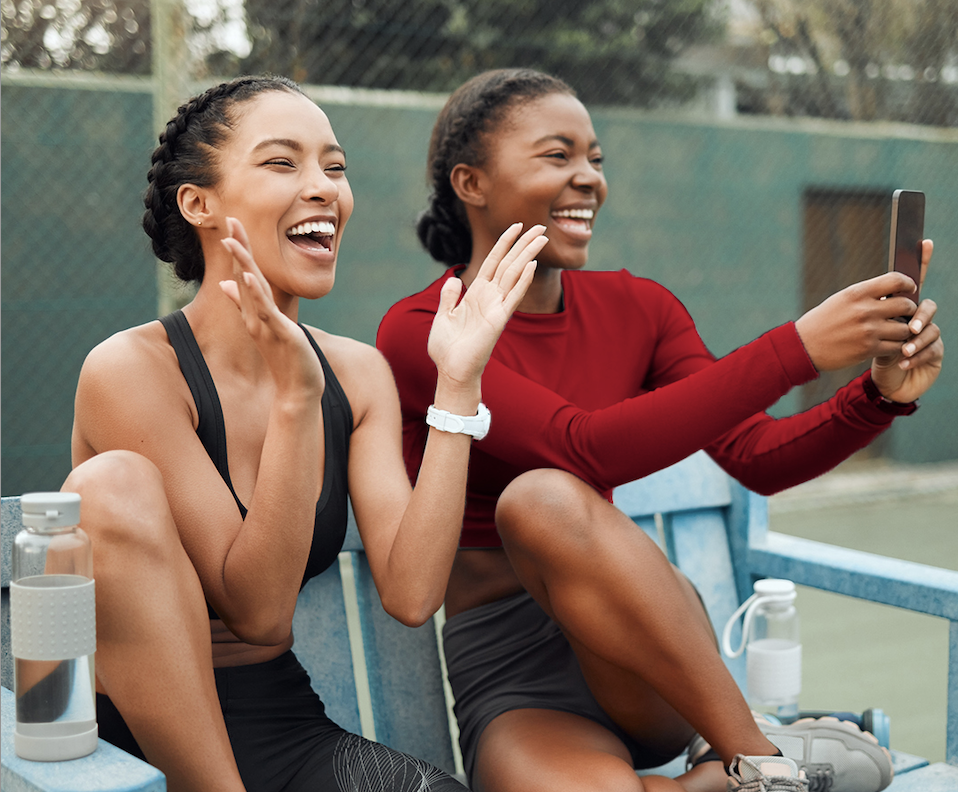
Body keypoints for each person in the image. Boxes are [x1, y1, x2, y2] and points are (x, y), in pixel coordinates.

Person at [376, 68, 944, 792]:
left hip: (644, 648)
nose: (588, 179)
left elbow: (756, 457)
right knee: (545, 490)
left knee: (542, 498)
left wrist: (877, 397)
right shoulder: (424, 330)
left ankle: (755, 761)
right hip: (512, 669)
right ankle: (738, 771)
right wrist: (795, 348)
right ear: (471, 182)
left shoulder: (639, 308)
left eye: (596, 160)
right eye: (558, 156)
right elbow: (584, 445)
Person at [64, 74, 546, 792]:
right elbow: (256, 610)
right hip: (135, 750)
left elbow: (414, 594)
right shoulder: (133, 371)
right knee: (111, 485)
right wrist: (296, 404)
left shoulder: (356, 374)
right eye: (283, 162)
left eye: (335, 166)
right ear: (198, 204)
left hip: (279, 723)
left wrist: (457, 384)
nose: (323, 186)